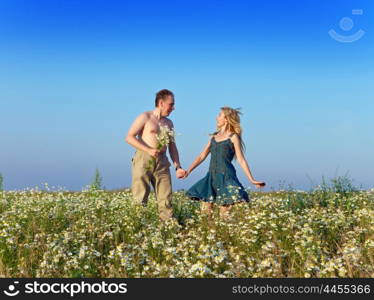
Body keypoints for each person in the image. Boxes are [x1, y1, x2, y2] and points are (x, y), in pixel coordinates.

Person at [183, 107, 265, 219]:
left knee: (224, 216)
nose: (216, 117)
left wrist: (251, 179)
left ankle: (225, 235)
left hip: (226, 178)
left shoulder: (233, 137)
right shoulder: (213, 136)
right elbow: (201, 156)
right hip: (211, 178)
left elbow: (241, 159)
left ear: (226, 119)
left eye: (219, 115)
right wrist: (188, 170)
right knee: (205, 215)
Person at [125, 89, 186, 221]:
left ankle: (167, 228)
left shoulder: (169, 123)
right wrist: (148, 150)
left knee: (166, 196)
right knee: (140, 195)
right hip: (144, 158)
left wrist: (178, 166)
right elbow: (129, 137)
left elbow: (172, 146)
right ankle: (138, 227)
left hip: (162, 161)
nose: (173, 108)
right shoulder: (145, 117)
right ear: (161, 103)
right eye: (171, 104)